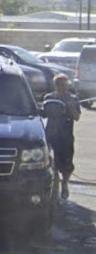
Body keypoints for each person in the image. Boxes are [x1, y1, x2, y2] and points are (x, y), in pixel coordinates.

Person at [41, 73, 82, 203]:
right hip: (51, 134)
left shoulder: (73, 98)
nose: (62, 87)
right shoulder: (49, 97)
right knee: (49, 160)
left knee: (67, 162)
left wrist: (71, 107)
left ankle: (65, 183)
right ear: (55, 85)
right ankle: (52, 184)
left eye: (64, 85)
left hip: (66, 135)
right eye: (59, 85)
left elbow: (77, 117)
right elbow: (43, 114)